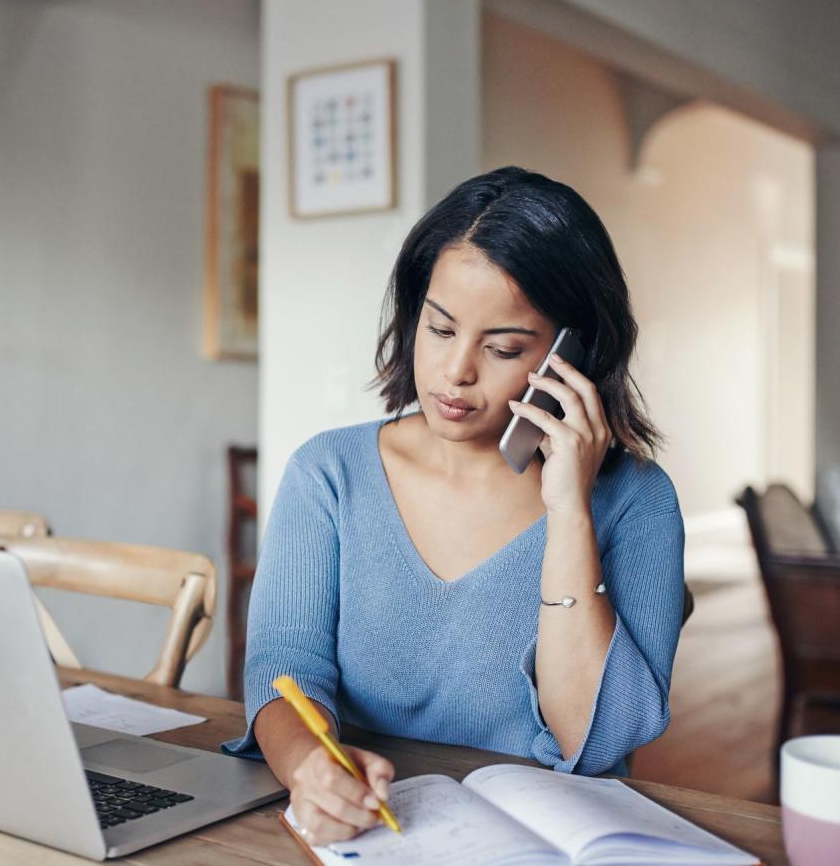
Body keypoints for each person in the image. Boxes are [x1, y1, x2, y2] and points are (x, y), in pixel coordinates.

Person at [222, 166, 685, 846]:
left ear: (574, 351)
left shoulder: (638, 503)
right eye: (440, 330)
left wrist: (569, 513)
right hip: (369, 834)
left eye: (502, 348)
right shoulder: (329, 473)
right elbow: (284, 662)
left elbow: (593, 741)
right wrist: (310, 767)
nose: (456, 371)